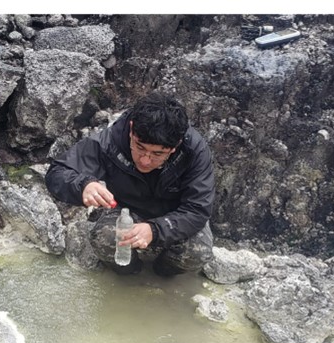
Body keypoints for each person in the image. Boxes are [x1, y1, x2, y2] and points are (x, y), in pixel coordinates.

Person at [46, 92, 216, 276]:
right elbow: (57, 172)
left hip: (174, 214)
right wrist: (83, 185)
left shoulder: (194, 151)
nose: (145, 160)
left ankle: (162, 273)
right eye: (140, 147)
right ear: (132, 130)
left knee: (198, 252)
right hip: (126, 212)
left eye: (157, 154)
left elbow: (198, 209)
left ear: (175, 146)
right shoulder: (110, 140)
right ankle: (132, 275)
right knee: (105, 239)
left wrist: (156, 230)